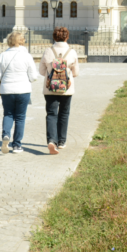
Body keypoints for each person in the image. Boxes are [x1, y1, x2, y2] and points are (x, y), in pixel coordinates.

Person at [0, 31, 37, 154]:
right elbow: (33, 76)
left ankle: (5, 135)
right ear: (22, 41)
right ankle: (17, 145)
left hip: (6, 90)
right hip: (23, 90)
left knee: (8, 114)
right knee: (20, 117)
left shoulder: (2, 56)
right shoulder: (27, 56)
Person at [38, 26, 79, 155]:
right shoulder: (72, 52)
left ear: (54, 37)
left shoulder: (48, 51)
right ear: (67, 37)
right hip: (66, 89)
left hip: (50, 88)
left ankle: (51, 140)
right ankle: (61, 142)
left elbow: (41, 71)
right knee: (64, 114)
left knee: (51, 114)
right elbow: (76, 73)